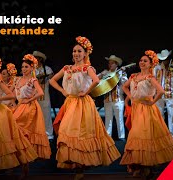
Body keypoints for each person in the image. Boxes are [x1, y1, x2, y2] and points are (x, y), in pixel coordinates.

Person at [49, 36, 121, 180]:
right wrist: (63, 91)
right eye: (74, 51)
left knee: (82, 133)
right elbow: (51, 80)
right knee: (67, 132)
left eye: (79, 51)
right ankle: (76, 164)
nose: (76, 54)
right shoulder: (67, 68)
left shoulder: (87, 68)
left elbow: (96, 80)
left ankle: (80, 168)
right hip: (70, 102)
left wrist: (86, 92)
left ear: (85, 53)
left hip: (83, 103)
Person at [120, 50, 173, 178]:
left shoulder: (150, 77)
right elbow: (124, 87)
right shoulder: (133, 76)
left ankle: (147, 166)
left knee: (144, 135)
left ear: (150, 64)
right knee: (137, 136)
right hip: (136, 108)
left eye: (145, 61)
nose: (142, 62)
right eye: (141, 60)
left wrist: (152, 102)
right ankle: (140, 165)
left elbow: (161, 91)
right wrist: (131, 97)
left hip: (146, 109)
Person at [12, 54, 51, 160]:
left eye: (26, 67)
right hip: (19, 106)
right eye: (23, 67)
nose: (24, 69)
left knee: (20, 128)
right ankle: (23, 160)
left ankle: (26, 157)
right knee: (15, 129)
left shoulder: (33, 80)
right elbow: (13, 94)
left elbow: (40, 92)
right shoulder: (17, 80)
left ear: (31, 68)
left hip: (29, 107)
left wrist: (29, 99)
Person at [97, 55, 127, 140]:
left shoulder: (120, 72)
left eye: (112, 63)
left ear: (116, 64)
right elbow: (95, 79)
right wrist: (100, 76)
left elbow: (125, 83)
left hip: (118, 99)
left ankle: (121, 136)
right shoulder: (106, 72)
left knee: (119, 119)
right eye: (109, 63)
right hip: (107, 99)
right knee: (108, 119)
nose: (110, 65)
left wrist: (123, 73)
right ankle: (108, 136)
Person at [153, 49, 173, 139]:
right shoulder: (156, 67)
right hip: (159, 94)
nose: (166, 61)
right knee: (159, 114)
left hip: (170, 93)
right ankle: (160, 134)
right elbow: (153, 80)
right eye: (164, 59)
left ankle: (172, 135)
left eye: (167, 59)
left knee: (172, 113)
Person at [33, 50, 55, 141]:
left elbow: (51, 78)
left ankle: (48, 133)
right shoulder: (32, 70)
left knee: (46, 113)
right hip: (34, 95)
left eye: (37, 59)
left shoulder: (47, 69)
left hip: (45, 95)